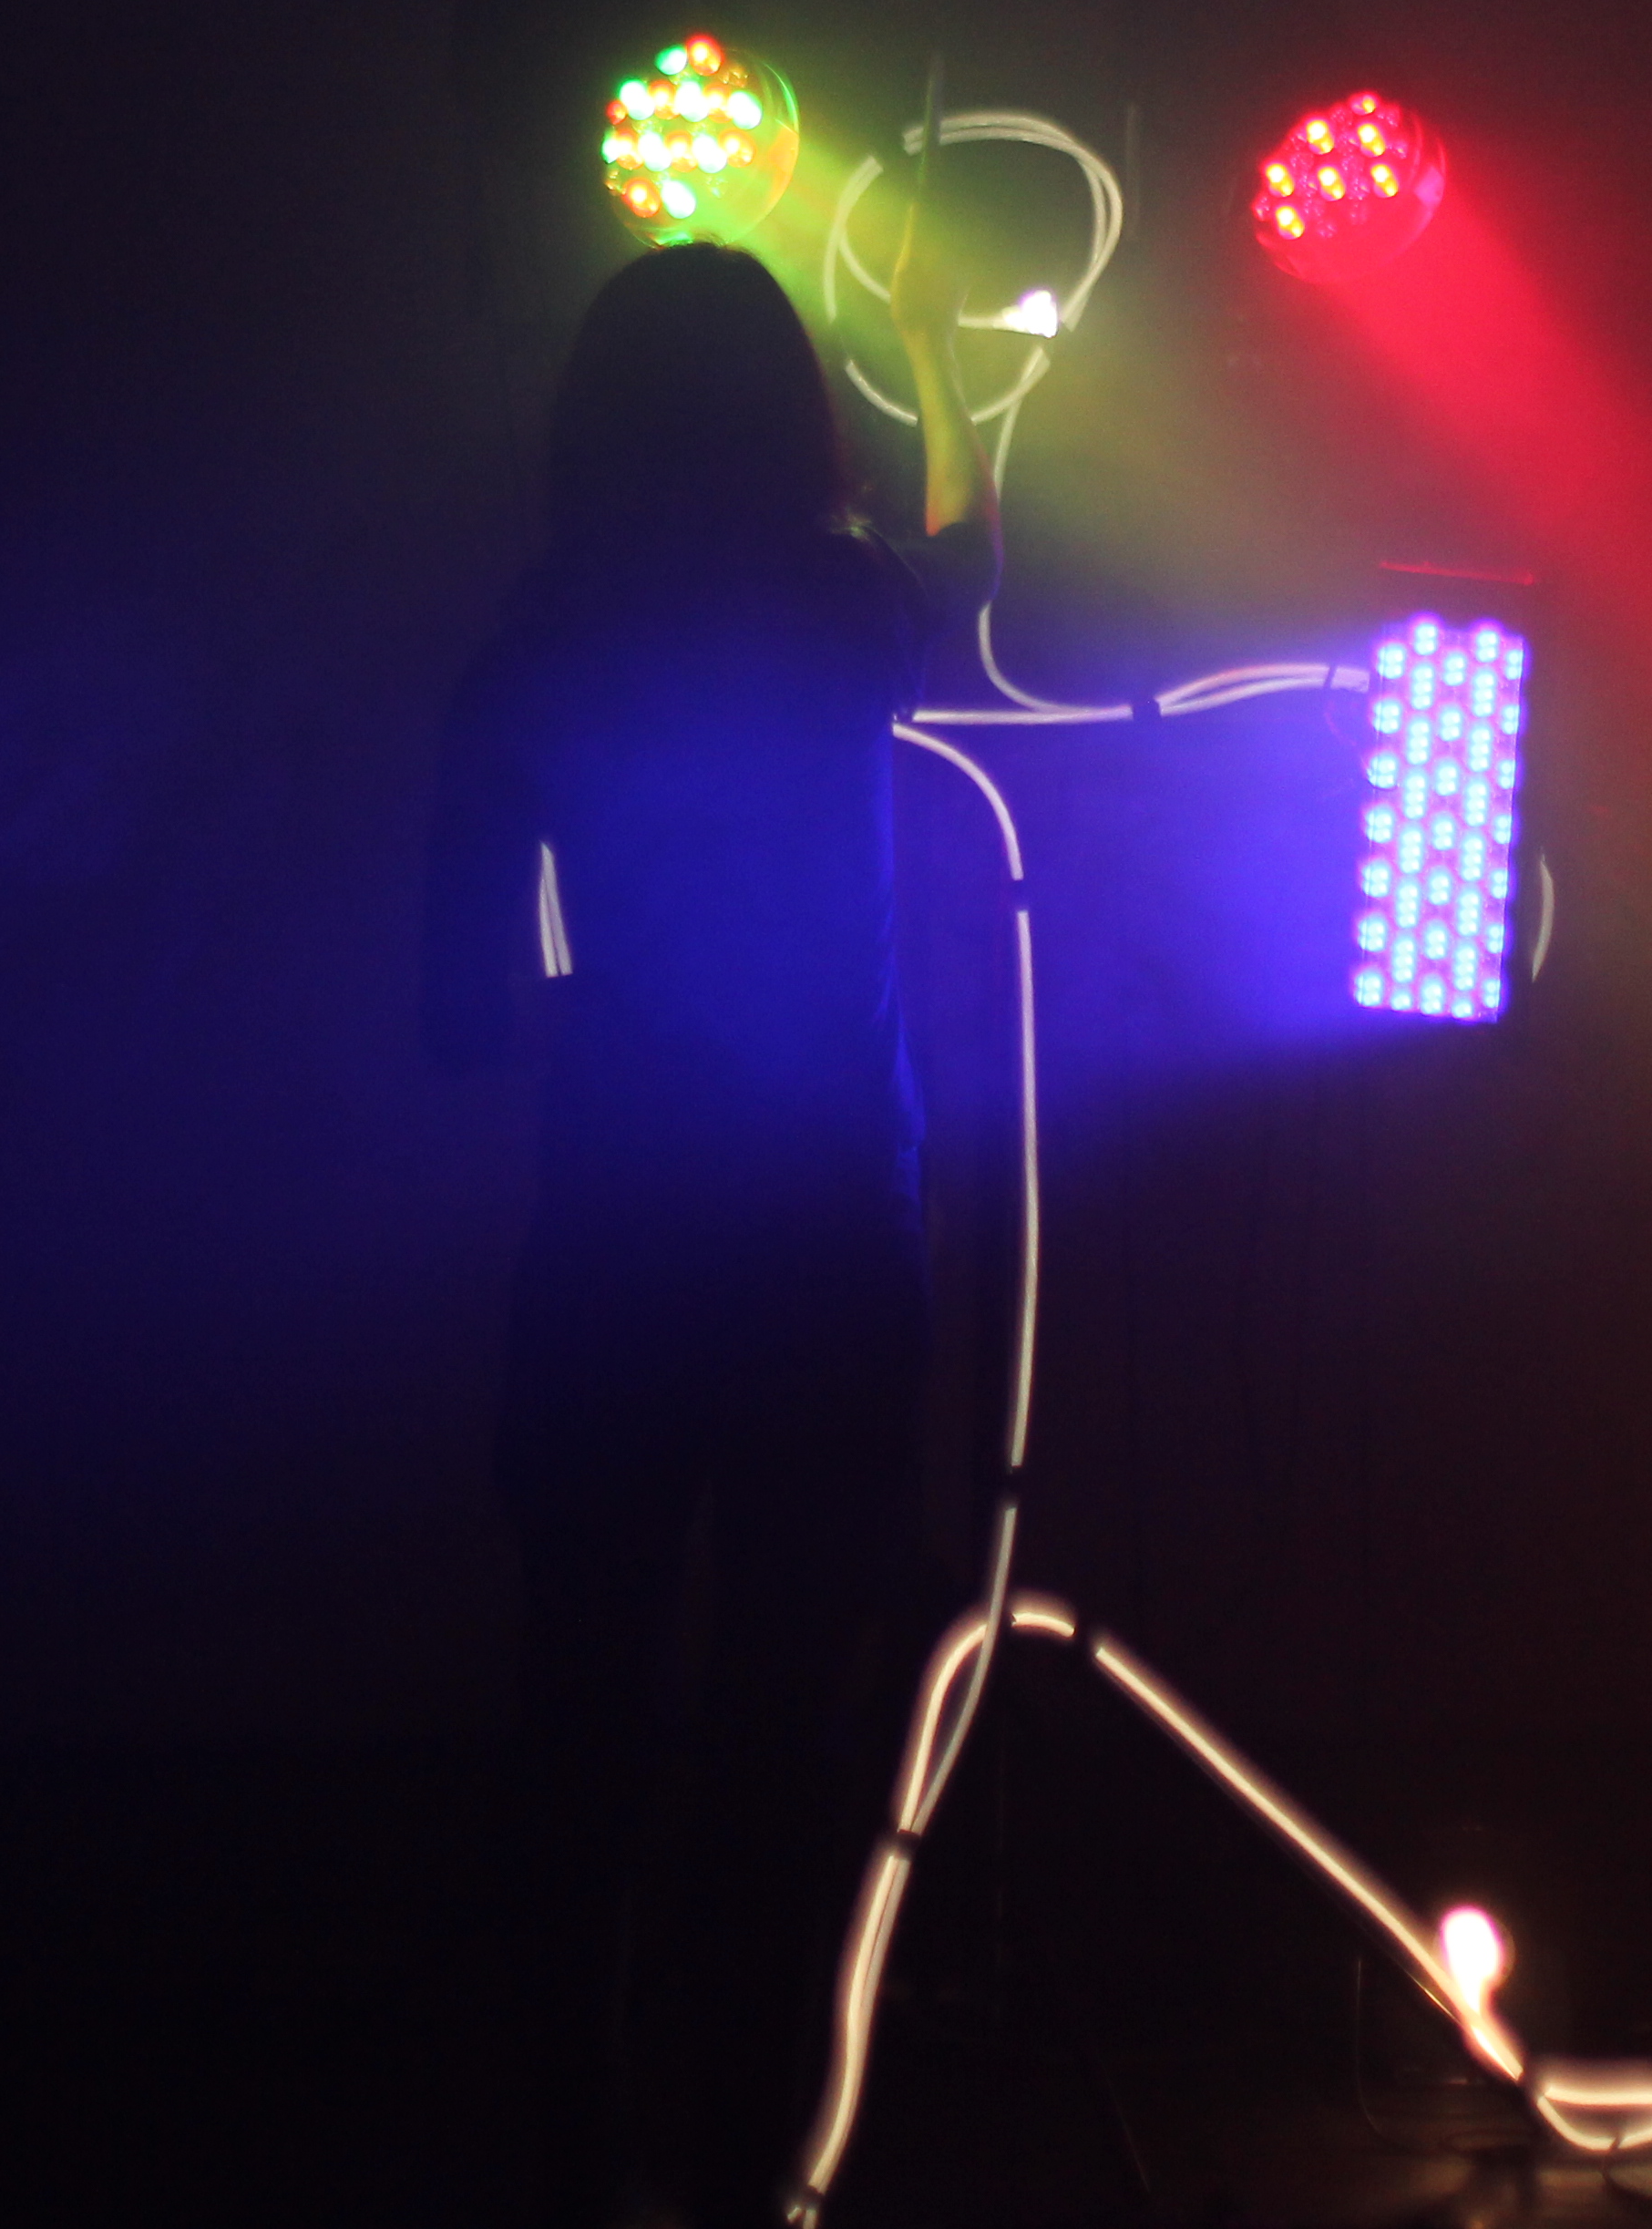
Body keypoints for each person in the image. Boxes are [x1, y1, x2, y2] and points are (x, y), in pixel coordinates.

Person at [422, 225, 996, 2229]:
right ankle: (756, 2163)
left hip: (613, 1243)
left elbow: (451, 1012)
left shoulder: (537, 646)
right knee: (788, 1736)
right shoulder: (841, 615)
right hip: (831, 1240)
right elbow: (972, 567)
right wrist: (930, 350)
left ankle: (568, 2157)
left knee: (577, 1716)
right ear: (787, 422)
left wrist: (597, 1002)